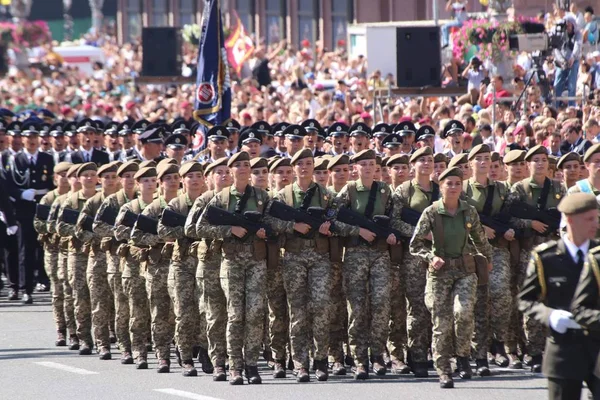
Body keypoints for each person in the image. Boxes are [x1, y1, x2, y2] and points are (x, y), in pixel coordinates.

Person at [265, 149, 354, 382]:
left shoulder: (325, 195)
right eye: (300, 164)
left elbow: (337, 217)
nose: (304, 167)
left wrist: (329, 226)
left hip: (320, 256)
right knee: (297, 311)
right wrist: (292, 227)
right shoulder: (283, 196)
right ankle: (300, 362)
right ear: (294, 168)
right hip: (293, 257)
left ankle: (321, 360)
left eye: (308, 163)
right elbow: (269, 221)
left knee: (321, 308)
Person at [410, 166, 492, 389]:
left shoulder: (469, 211)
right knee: (441, 322)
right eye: (449, 183)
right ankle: (444, 369)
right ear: (441, 187)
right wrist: (430, 256)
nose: (454, 187)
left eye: (458, 183)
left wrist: (488, 258)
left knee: (463, 313)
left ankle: (463, 356)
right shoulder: (432, 212)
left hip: (465, 270)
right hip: (440, 273)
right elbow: (415, 244)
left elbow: (480, 239)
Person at [197, 151, 272, 385]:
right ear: (231, 171)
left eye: (246, 165)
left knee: (255, 313)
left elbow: (276, 224)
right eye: (237, 165)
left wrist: (265, 231)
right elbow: (200, 227)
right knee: (235, 315)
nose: (242, 168)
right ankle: (235, 366)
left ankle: (251, 364)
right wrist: (229, 231)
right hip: (231, 262)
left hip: (256, 261)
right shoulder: (220, 199)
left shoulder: (262, 197)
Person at [520, 193, 600, 400]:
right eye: (590, 218)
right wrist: (550, 316)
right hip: (564, 349)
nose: (596, 223)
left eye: (597, 217)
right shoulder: (546, 257)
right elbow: (526, 301)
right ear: (571, 220)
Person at [336, 149, 396, 380]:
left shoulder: (384, 190)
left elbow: (393, 219)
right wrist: (357, 230)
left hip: (380, 254)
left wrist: (390, 234)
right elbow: (332, 219)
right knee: (357, 309)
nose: (369, 168)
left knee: (381, 305)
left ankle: (378, 355)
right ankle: (360, 360)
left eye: (372, 164)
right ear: (356, 168)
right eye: (364, 164)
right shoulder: (349, 190)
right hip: (355, 254)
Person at [506, 145, 567, 372]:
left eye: (543, 160)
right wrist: (529, 223)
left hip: (554, 251)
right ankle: (533, 351)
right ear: (527, 164)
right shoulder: (519, 190)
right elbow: (509, 219)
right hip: (529, 253)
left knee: (556, 299)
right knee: (532, 301)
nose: (540, 164)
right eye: (535, 160)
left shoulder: (559, 188)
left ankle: (554, 349)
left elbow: (566, 218)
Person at [463, 144, 514, 375]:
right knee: (477, 301)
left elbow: (515, 216)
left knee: (501, 295)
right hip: (471, 250)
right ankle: (480, 353)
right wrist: (481, 227)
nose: (483, 162)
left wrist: (512, 229)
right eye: (479, 159)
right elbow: (456, 217)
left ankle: (499, 342)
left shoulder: (502, 189)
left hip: (497, 250)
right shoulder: (462, 189)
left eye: (487, 158)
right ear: (470, 163)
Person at [158, 161, 211, 377]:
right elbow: (162, 230)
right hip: (182, 264)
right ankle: (186, 355)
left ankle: (206, 351)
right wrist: (187, 231)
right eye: (190, 176)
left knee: (206, 310)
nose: (195, 180)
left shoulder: (210, 202)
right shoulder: (176, 205)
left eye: (198, 175)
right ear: (183, 180)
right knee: (183, 312)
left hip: (206, 262)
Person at [390, 146, 439, 377]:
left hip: (441, 254)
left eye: (430, 160)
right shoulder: (405, 190)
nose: (427, 164)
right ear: (414, 165)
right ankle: (417, 355)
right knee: (417, 305)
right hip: (416, 255)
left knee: (438, 305)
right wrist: (421, 233)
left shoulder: (441, 189)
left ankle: (437, 353)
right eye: (422, 160)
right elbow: (395, 222)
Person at [130, 162, 180, 373]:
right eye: (167, 178)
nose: (172, 181)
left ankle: (183, 350)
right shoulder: (153, 208)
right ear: (161, 183)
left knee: (181, 313)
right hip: (158, 267)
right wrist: (161, 239)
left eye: (175, 177)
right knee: (159, 313)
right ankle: (162, 356)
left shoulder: (182, 205)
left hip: (181, 266)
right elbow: (135, 236)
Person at [93, 160, 139, 365]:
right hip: (116, 259)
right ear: (121, 180)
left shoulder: (143, 201)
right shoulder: (112, 202)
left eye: (133, 176)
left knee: (138, 306)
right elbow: (96, 225)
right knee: (119, 306)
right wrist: (119, 233)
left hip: (138, 259)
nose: (130, 180)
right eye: (126, 176)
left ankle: (139, 343)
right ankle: (122, 346)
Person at [5, 120, 55, 304]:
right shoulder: (15, 160)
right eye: (28, 137)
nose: (31, 140)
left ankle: (44, 280)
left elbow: (52, 184)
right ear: (22, 139)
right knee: (24, 250)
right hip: (23, 211)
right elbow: (8, 186)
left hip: (42, 208)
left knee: (43, 249)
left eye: (34, 137)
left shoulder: (47, 158)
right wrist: (20, 194)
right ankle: (26, 289)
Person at [75, 161, 120, 360]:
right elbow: (80, 229)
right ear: (100, 180)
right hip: (98, 258)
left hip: (119, 257)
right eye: (106, 178)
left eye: (113, 177)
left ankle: (125, 341)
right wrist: (101, 238)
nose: (110, 181)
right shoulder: (93, 202)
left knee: (120, 303)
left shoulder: (123, 200)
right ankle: (96, 342)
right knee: (98, 303)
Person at [114, 166, 157, 369]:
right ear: (138, 185)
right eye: (145, 180)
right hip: (133, 265)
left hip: (156, 263)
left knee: (159, 311)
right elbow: (119, 231)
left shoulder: (161, 206)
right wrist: (145, 233)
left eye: (152, 180)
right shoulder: (129, 208)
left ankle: (160, 349)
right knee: (136, 310)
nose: (150, 183)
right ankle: (136, 350)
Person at [56, 162, 99, 355]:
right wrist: (82, 231)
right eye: (85, 175)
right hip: (77, 254)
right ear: (79, 179)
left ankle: (102, 338)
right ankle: (81, 337)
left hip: (98, 253)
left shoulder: (102, 200)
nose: (89, 178)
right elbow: (60, 227)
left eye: (92, 174)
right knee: (80, 297)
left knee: (100, 299)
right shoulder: (71, 201)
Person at [33, 161, 71, 344]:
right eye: (61, 175)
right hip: (54, 250)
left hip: (70, 250)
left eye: (68, 174)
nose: (65, 178)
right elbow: (38, 223)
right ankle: (60, 328)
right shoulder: (48, 199)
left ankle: (74, 328)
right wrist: (56, 229)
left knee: (72, 290)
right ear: (55, 178)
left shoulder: (75, 198)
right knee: (58, 290)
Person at [553, 14, 583, 107]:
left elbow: (577, 46)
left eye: (570, 25)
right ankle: (555, 106)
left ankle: (571, 106)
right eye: (566, 25)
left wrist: (573, 57)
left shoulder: (578, 34)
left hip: (573, 62)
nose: (568, 27)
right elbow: (556, 48)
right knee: (557, 84)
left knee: (572, 85)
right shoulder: (560, 33)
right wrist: (561, 60)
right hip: (561, 62)